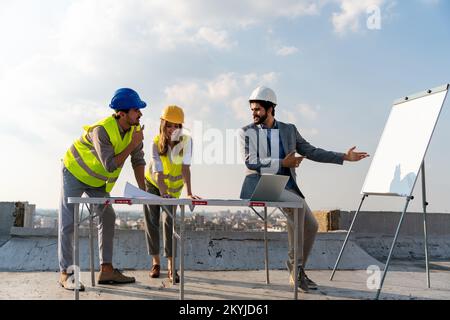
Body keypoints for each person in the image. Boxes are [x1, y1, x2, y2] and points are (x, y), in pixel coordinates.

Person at [239, 86, 369, 292]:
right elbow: (251, 162)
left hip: (287, 187)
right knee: (298, 209)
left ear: (270, 108)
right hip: (262, 185)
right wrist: (283, 161)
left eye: (257, 109)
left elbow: (312, 151)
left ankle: (296, 268)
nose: (253, 113)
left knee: (311, 225)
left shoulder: (289, 130)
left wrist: (343, 157)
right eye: (252, 109)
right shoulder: (248, 132)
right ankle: (296, 269)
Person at [58, 88, 147, 290]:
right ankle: (66, 273)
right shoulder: (102, 130)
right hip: (74, 171)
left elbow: (138, 160)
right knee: (68, 222)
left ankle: (106, 270)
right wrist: (133, 143)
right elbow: (110, 165)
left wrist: (143, 191)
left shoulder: (135, 131)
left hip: (96, 181)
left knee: (107, 216)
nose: (140, 114)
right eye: (136, 109)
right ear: (122, 113)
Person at [143, 105, 200, 283]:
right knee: (151, 221)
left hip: (173, 190)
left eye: (177, 126)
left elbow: (185, 168)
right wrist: (163, 193)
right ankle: (156, 263)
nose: (173, 130)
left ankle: (170, 267)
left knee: (169, 223)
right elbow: (158, 173)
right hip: (153, 184)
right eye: (169, 125)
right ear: (163, 125)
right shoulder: (155, 143)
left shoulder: (187, 141)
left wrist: (189, 193)